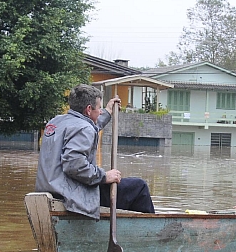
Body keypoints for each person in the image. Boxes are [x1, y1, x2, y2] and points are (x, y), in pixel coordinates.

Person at [35, 84, 155, 218]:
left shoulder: (56, 122)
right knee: (139, 187)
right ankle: (151, 232)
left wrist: (108, 111)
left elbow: (88, 128)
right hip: (73, 194)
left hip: (53, 189)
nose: (101, 111)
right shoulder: (84, 128)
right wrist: (104, 176)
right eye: (99, 108)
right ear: (88, 109)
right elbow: (74, 165)